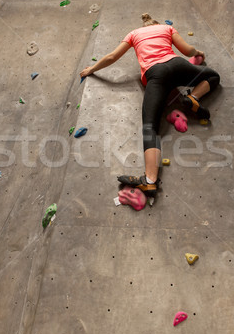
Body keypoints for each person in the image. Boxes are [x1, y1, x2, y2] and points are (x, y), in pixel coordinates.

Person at [80, 13, 220, 198]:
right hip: (177, 65)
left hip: (156, 73)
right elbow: (187, 50)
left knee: (150, 127)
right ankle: (194, 98)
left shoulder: (133, 34)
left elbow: (113, 56)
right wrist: (197, 53)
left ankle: (150, 181)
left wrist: (91, 69)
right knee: (213, 76)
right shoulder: (166, 28)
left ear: (143, 27)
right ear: (156, 24)